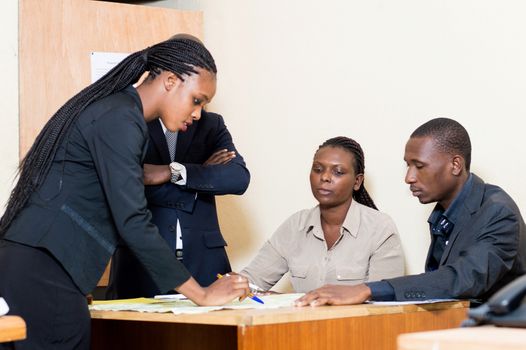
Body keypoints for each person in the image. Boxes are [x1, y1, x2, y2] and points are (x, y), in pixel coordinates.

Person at [0, 37, 249, 349]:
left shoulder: (118, 112)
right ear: (171, 81)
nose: (198, 113)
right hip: (44, 270)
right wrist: (201, 294)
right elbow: (132, 220)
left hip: (43, 268)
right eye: (197, 100)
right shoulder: (120, 118)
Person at [296, 118, 526, 307]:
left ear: (455, 165)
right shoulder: (444, 213)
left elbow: (463, 278)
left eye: (419, 166)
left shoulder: (497, 212)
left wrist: (366, 289)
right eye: (408, 165)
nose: (409, 177)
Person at [106, 108, 250, 298]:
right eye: (197, 99)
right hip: (140, 266)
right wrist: (202, 176)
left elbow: (238, 178)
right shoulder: (132, 122)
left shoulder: (211, 124)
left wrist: (173, 172)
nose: (198, 111)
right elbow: (125, 186)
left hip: (205, 265)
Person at [240, 136, 404, 292]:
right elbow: (250, 282)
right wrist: (235, 286)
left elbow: (383, 298)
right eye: (318, 169)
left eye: (338, 172)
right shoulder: (295, 225)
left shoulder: (380, 228)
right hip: (301, 322)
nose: (325, 177)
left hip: (356, 322)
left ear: (357, 181)